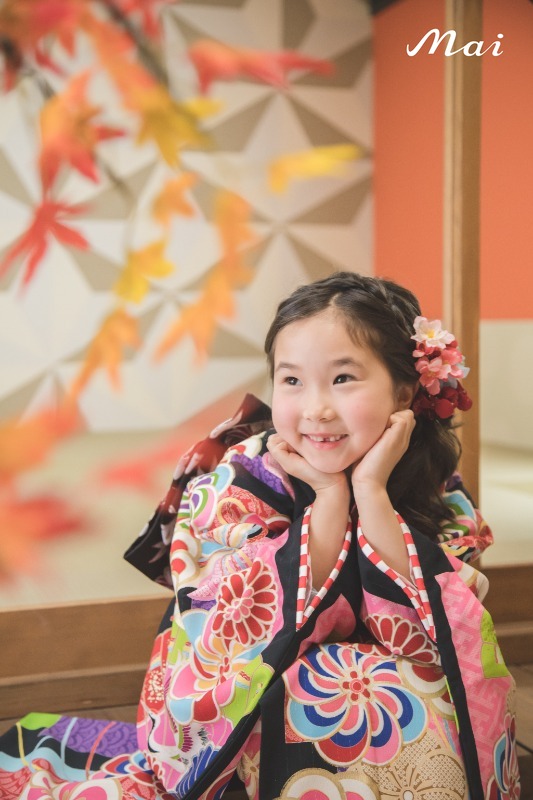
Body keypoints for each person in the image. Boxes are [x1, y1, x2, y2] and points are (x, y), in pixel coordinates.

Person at [0, 271, 520, 799]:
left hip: (399, 688)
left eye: (343, 378)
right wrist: (330, 500)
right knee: (333, 688)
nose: (315, 409)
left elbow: (445, 631)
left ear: (404, 392)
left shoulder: (433, 481)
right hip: (256, 689)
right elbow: (231, 623)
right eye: (292, 381)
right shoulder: (241, 477)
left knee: (407, 693)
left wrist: (371, 492)